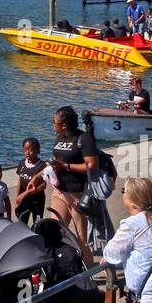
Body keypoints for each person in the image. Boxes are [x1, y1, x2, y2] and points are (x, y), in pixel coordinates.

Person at [27, 106, 99, 262]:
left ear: (64, 124)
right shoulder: (59, 138)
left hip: (77, 194)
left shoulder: (84, 138)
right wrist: (37, 177)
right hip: (59, 192)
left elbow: (92, 165)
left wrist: (66, 167)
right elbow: (55, 163)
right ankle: (59, 267)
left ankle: (88, 272)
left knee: (81, 237)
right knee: (54, 231)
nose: (53, 125)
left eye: (55, 122)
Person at [15, 138, 47, 227]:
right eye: (25, 150)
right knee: (22, 223)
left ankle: (37, 238)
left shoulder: (42, 166)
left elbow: (43, 185)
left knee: (37, 224)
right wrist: (17, 197)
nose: (27, 153)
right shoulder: (22, 163)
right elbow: (20, 181)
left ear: (38, 151)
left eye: (31, 150)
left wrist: (28, 192)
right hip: (24, 201)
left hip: (37, 203)